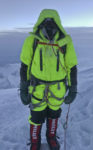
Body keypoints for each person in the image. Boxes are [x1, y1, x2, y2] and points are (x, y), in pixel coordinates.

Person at [19, 9, 78, 150]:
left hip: (57, 88)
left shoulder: (65, 42)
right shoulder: (32, 40)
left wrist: (73, 88)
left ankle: (51, 137)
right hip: (37, 87)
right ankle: (35, 141)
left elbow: (72, 66)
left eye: (52, 22)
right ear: (40, 23)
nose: (49, 25)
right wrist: (23, 87)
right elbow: (25, 65)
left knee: (54, 113)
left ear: (57, 23)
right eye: (46, 22)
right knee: (36, 115)